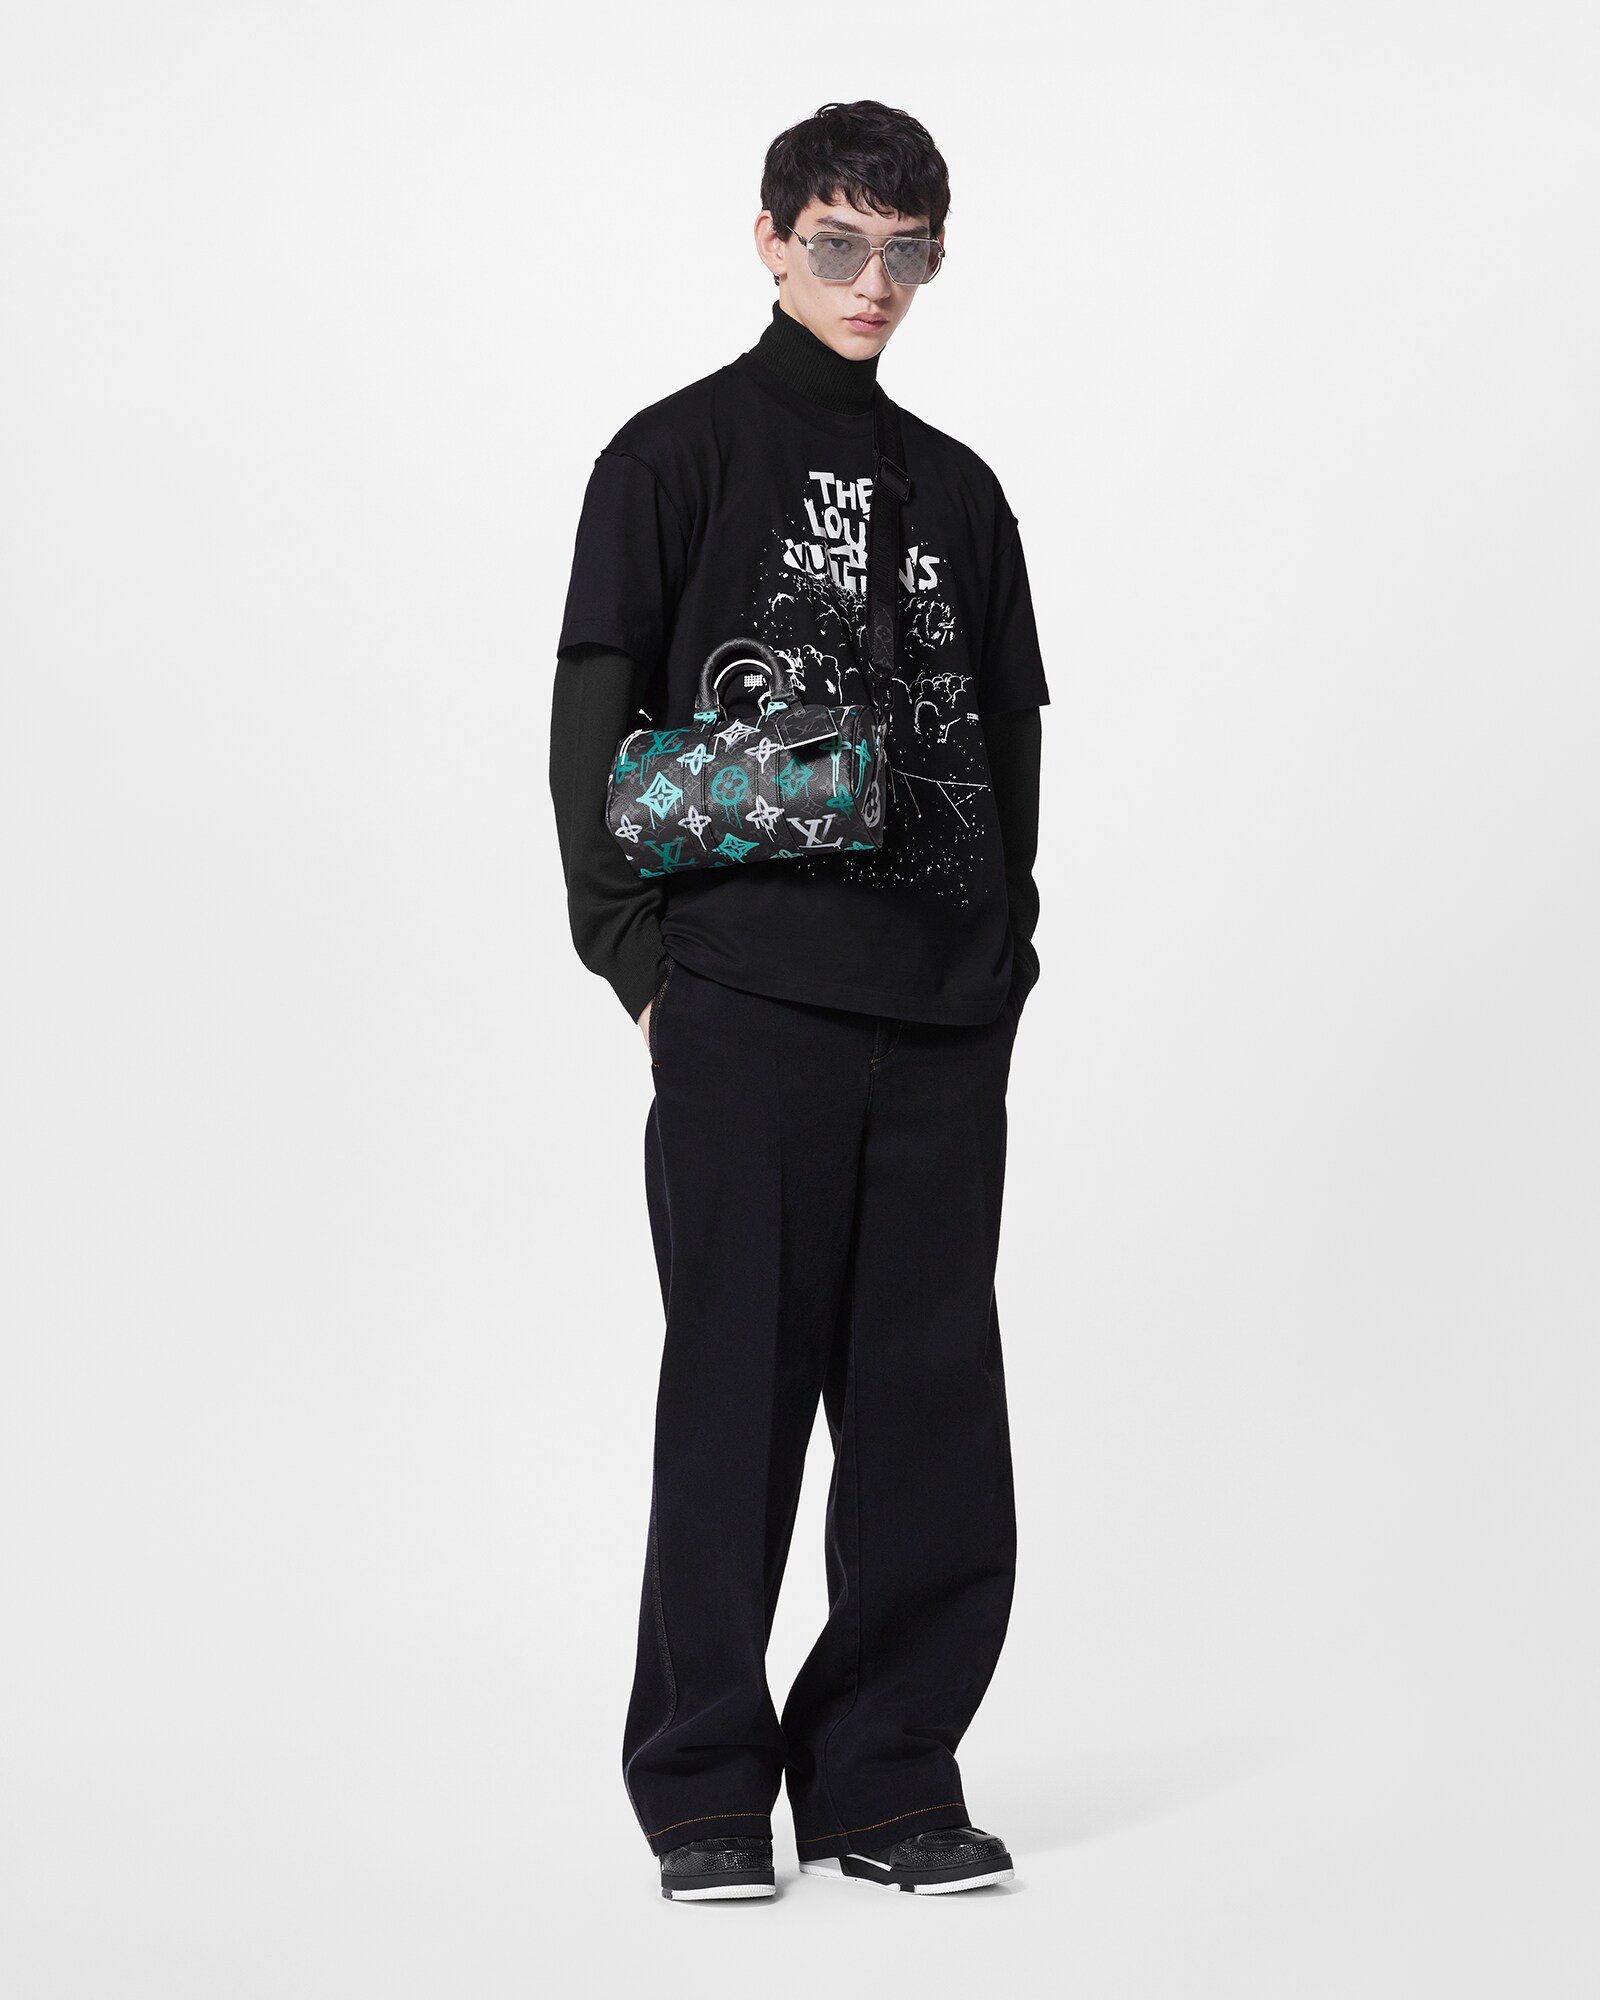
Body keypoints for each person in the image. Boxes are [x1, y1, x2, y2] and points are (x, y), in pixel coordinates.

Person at [549, 100, 1048, 1902]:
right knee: (735, 1399)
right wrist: (640, 967)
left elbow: (1011, 747)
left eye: (908, 252)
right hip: (746, 1002)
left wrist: (1004, 964)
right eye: (839, 244)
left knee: (930, 1416)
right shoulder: (670, 457)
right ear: (770, 241)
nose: (873, 282)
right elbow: (589, 724)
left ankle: (886, 1778)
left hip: (941, 1020)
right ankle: (701, 1784)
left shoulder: (964, 491)